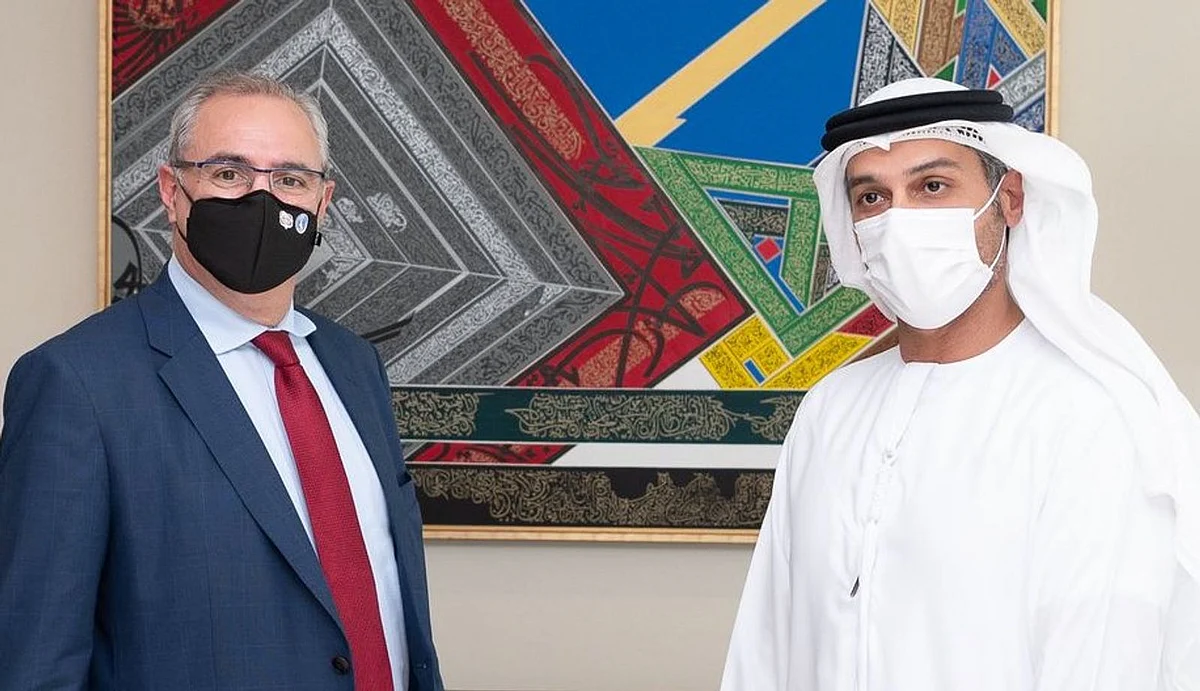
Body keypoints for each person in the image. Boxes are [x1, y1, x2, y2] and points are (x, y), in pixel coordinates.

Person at [721, 77, 1200, 690]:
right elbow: (765, 647)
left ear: (1010, 200)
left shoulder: (1086, 415)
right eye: (872, 196)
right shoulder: (831, 408)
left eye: (932, 186)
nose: (897, 220)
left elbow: (1099, 663)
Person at [0, 71, 443, 691]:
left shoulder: (354, 366)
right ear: (171, 190)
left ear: (322, 202)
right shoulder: (76, 384)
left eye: (290, 180)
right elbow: (35, 661)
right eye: (229, 173)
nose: (262, 202)